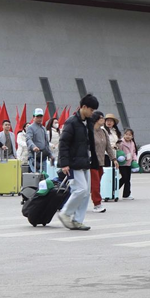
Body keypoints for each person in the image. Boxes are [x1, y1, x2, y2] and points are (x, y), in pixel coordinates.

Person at [57, 94, 99, 230]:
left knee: (86, 193)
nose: (92, 113)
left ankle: (77, 220)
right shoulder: (71, 122)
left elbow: (90, 143)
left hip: (85, 161)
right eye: (91, 110)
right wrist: (64, 163)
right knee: (80, 190)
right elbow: (63, 143)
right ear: (84, 107)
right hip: (73, 163)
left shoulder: (88, 122)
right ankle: (65, 213)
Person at [88, 112, 117, 212]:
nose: (104, 120)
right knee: (95, 184)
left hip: (101, 161)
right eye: (101, 118)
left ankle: (79, 202)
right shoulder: (89, 131)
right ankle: (97, 204)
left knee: (93, 184)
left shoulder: (103, 132)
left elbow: (108, 147)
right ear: (96, 119)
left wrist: (114, 159)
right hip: (91, 162)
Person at [118, 128, 137, 200]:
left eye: (130, 135)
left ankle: (126, 194)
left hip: (129, 163)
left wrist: (134, 159)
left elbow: (134, 152)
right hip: (122, 163)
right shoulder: (121, 142)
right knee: (124, 177)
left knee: (128, 179)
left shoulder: (132, 143)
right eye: (126, 134)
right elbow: (118, 151)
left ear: (132, 136)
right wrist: (122, 157)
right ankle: (114, 189)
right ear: (124, 135)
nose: (128, 136)